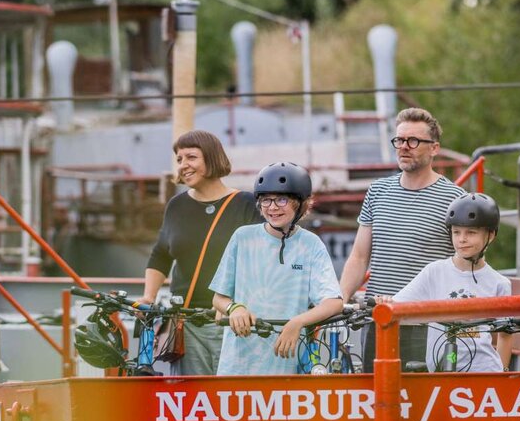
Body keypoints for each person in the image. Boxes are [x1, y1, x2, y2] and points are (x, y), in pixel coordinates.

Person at [338, 106, 465, 367]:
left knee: (423, 403)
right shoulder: (377, 191)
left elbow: (462, 266)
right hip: (379, 320)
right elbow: (359, 257)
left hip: (427, 324)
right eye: (399, 140)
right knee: (373, 401)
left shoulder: (456, 199)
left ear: (434, 148)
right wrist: (338, 300)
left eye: (413, 140)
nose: (404, 147)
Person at [142, 130, 260, 374]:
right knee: (191, 404)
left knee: (234, 403)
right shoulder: (177, 206)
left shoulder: (247, 204)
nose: (183, 165)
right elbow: (161, 254)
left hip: (234, 322)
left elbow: (262, 262)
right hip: (187, 324)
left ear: (212, 157)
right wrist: (147, 298)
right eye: (179, 159)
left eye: (191, 157)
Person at [210, 161, 343, 376]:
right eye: (265, 200)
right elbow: (218, 298)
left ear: (301, 204)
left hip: (287, 364)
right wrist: (235, 308)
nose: (272, 207)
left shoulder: (311, 244)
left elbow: (334, 302)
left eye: (282, 199)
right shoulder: (242, 237)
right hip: (238, 363)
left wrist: (297, 322)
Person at [389, 193, 512, 372]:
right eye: (456, 232)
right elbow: (397, 305)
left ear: (490, 235)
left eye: (471, 232)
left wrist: (501, 378)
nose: (462, 239)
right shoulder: (435, 272)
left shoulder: (499, 283)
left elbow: (505, 336)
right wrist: (384, 302)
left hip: (484, 371)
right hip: (441, 370)